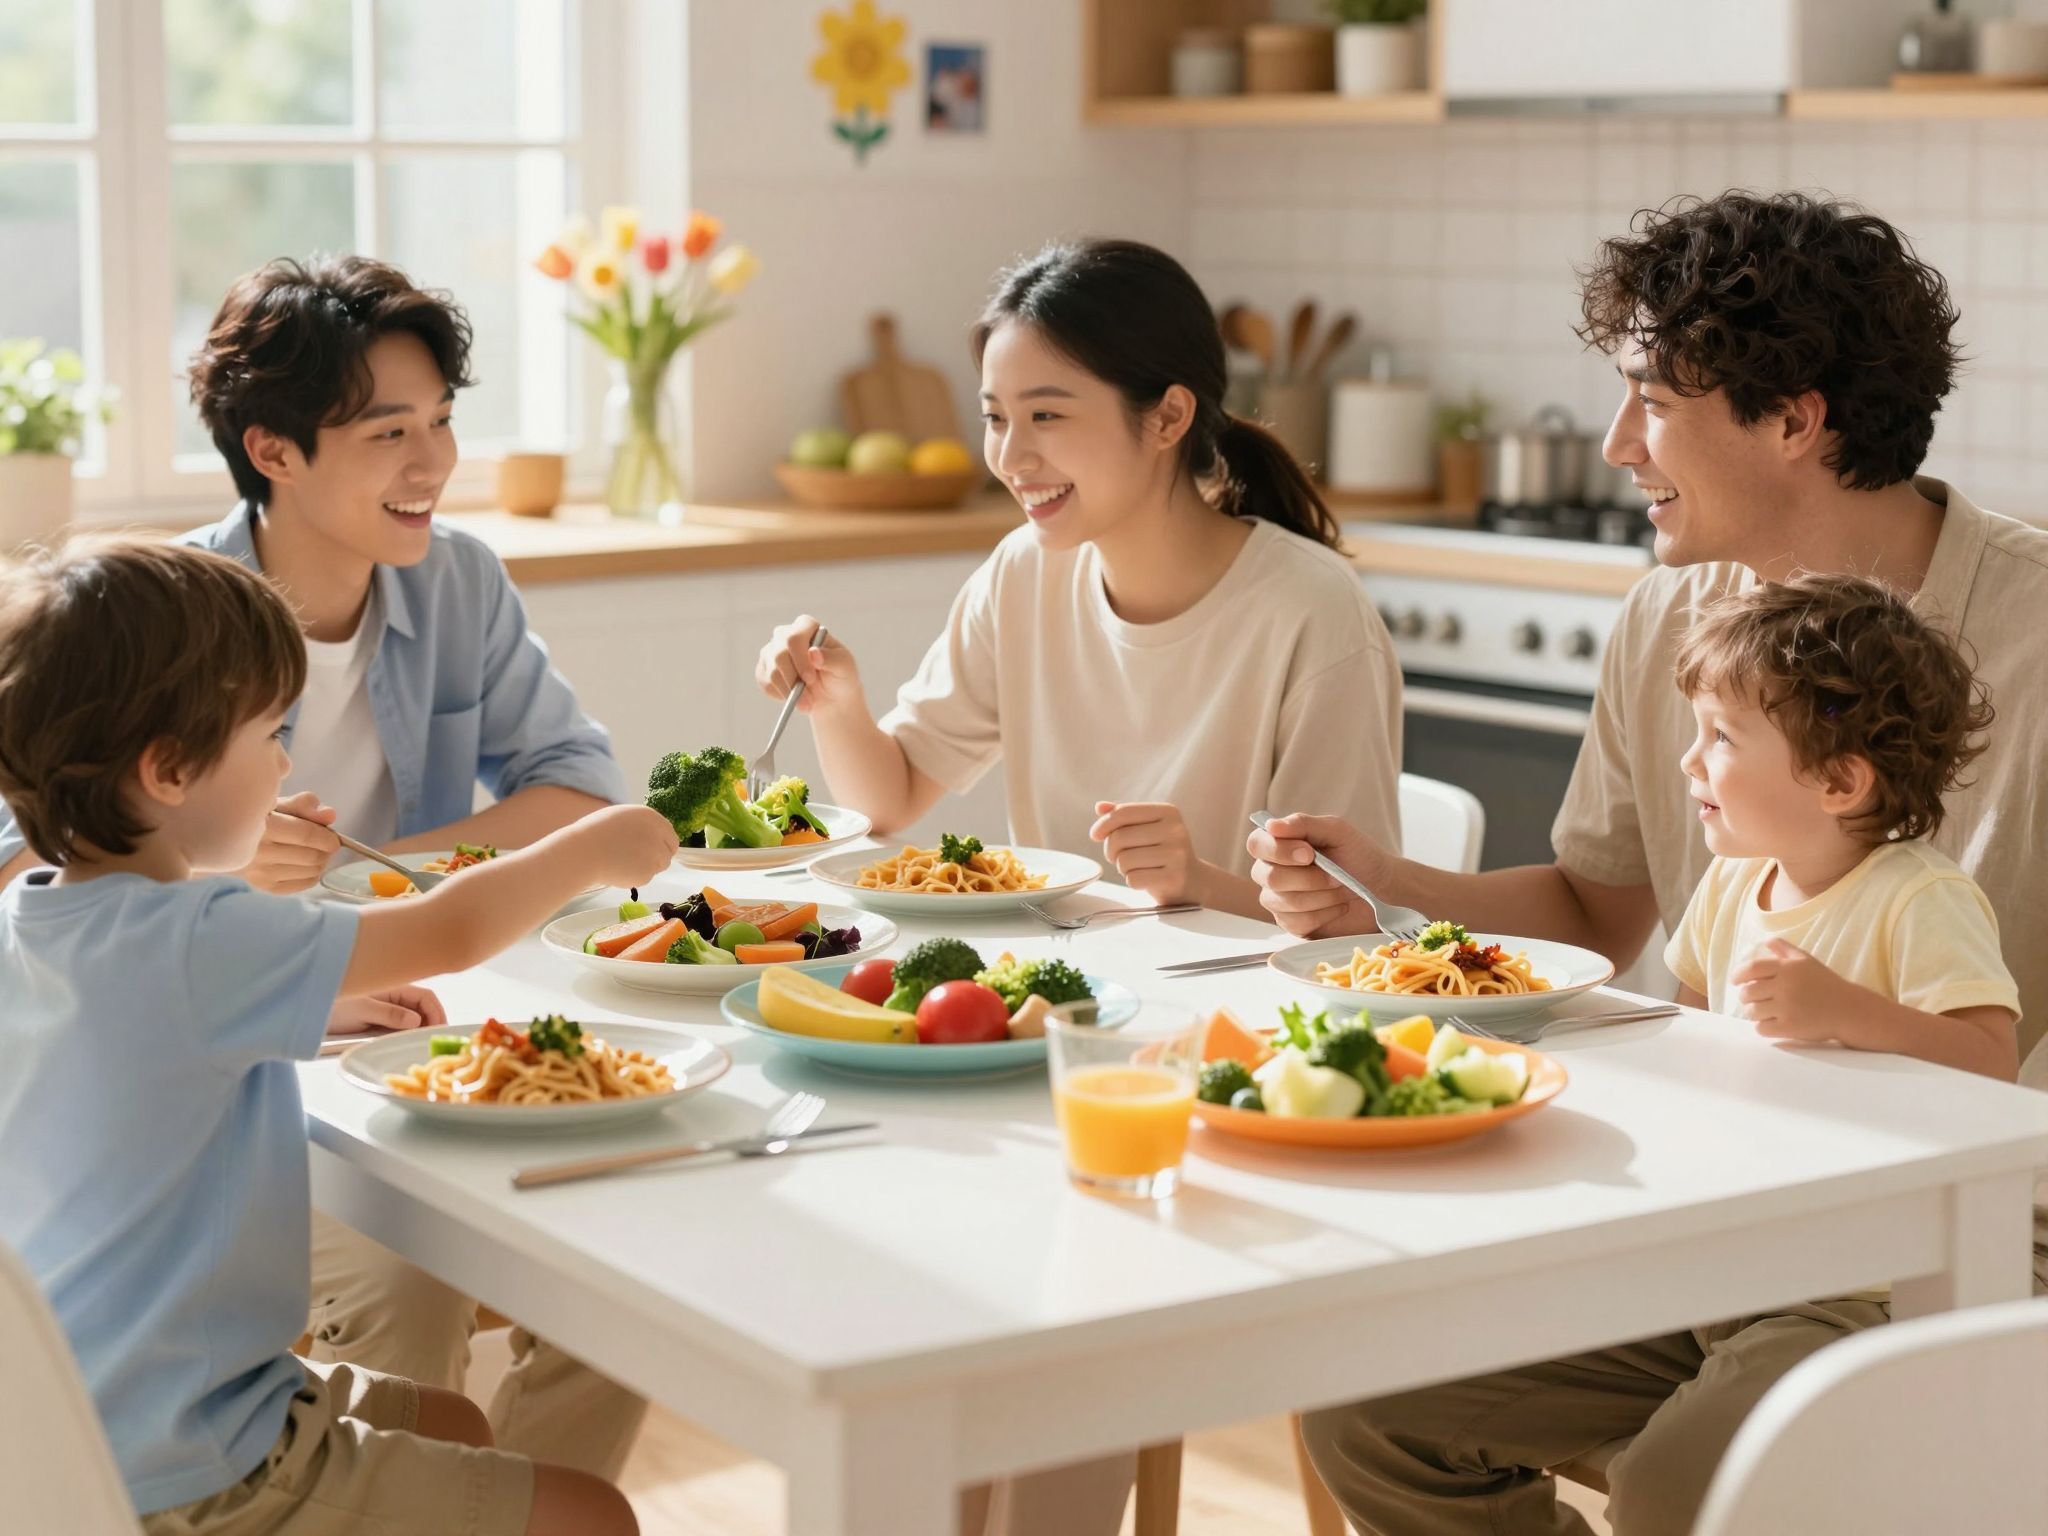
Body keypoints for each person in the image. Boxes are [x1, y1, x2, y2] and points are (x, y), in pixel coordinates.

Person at [1254, 190, 2048, 1536]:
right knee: (1368, 1400)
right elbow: (1592, 908)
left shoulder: (2036, 628)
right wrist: (1395, 888)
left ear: (1794, 419)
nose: (1620, 447)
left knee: (1698, 1483)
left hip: (1959, 1239)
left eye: (1652, 403)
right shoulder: (1669, 616)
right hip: (1726, 1199)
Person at [0, 255, 649, 1476]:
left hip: (378, 1016)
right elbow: (40, 862)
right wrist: (222, 893)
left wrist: (366, 879)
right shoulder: (161, 620)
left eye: (443, 422)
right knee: (407, 1291)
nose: (434, 464)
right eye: (387, 431)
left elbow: (572, 780)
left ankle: (485, 1499)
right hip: (212, 1082)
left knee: (625, 1244)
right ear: (277, 451)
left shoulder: (458, 581)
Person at [758, 237, 1401, 928]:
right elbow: (890, 798)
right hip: (1056, 994)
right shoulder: (1022, 574)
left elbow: (1355, 914)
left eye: (1047, 415)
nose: (1009, 456)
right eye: (995, 417)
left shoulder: (1311, 612)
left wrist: (1200, 883)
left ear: (1168, 417)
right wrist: (835, 700)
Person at [1665, 573, 2017, 1080]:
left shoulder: (1920, 900)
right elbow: (1690, 1041)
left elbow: (1993, 1062)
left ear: (1838, 780)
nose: (1689, 761)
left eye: (1720, 735)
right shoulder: (1729, 881)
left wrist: (1846, 1013)